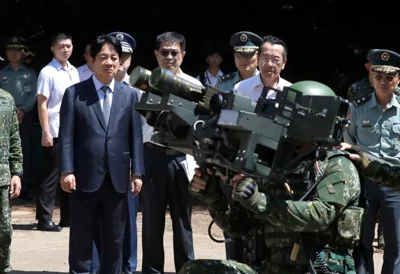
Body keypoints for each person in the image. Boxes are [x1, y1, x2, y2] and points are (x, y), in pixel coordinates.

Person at [179, 81, 362, 274]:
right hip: (271, 268)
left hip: (316, 269)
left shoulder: (337, 166)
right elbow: (239, 226)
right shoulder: (275, 163)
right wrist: (213, 196)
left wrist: (260, 201)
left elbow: (319, 216)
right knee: (195, 270)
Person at [58, 34, 144, 274]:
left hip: (118, 179)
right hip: (83, 177)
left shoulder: (129, 95)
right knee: (83, 238)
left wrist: (137, 172)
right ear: (92, 62)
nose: (109, 62)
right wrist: (66, 170)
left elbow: (135, 137)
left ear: (120, 62)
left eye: (114, 58)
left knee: (115, 239)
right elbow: (66, 137)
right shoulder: (74, 93)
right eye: (103, 57)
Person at [141, 31, 199, 274]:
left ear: (183, 55)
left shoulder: (195, 86)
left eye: (175, 52)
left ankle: (186, 269)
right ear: (156, 54)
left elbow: (200, 128)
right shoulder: (144, 82)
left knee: (182, 221)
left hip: (181, 159)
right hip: (152, 156)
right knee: (152, 221)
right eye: (164, 52)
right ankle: (153, 270)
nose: (170, 57)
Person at [343, 49, 400, 274]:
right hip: (364, 182)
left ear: (398, 79)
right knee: (362, 243)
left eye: (389, 77)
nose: (383, 82)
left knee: (395, 245)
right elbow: (348, 141)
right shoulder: (358, 107)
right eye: (378, 76)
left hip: (394, 184)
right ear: (372, 77)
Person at [36, 32, 79, 231]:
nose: (66, 49)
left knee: (69, 171)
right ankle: (45, 218)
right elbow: (42, 103)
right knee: (51, 175)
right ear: (53, 48)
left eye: (68, 46)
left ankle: (68, 217)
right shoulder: (47, 72)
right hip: (54, 129)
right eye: (61, 46)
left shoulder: (74, 71)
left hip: (73, 130)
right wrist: (45, 130)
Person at [108, 30, 140, 274]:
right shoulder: (90, 88)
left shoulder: (139, 90)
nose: (120, 60)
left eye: (124, 56)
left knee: (128, 220)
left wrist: (136, 169)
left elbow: (141, 136)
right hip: (99, 168)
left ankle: (128, 267)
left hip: (127, 167)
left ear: (128, 60)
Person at [0, 36, 37, 201]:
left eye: (17, 50)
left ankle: (25, 183)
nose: (14, 54)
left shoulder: (29, 74)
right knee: (5, 148)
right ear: (6, 53)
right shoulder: (1, 74)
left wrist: (23, 110)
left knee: (24, 149)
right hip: (4, 116)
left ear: (22, 53)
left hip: (25, 115)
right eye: (10, 50)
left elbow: (34, 94)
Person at [0, 88, 23, 273]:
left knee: (4, 232)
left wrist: (17, 172)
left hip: (2, 178)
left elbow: (14, 138)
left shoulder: (6, 99)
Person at [234, 35, 292, 100]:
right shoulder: (241, 88)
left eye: (275, 60)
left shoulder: (290, 91)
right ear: (258, 59)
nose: (270, 64)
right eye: (265, 58)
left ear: (284, 63)